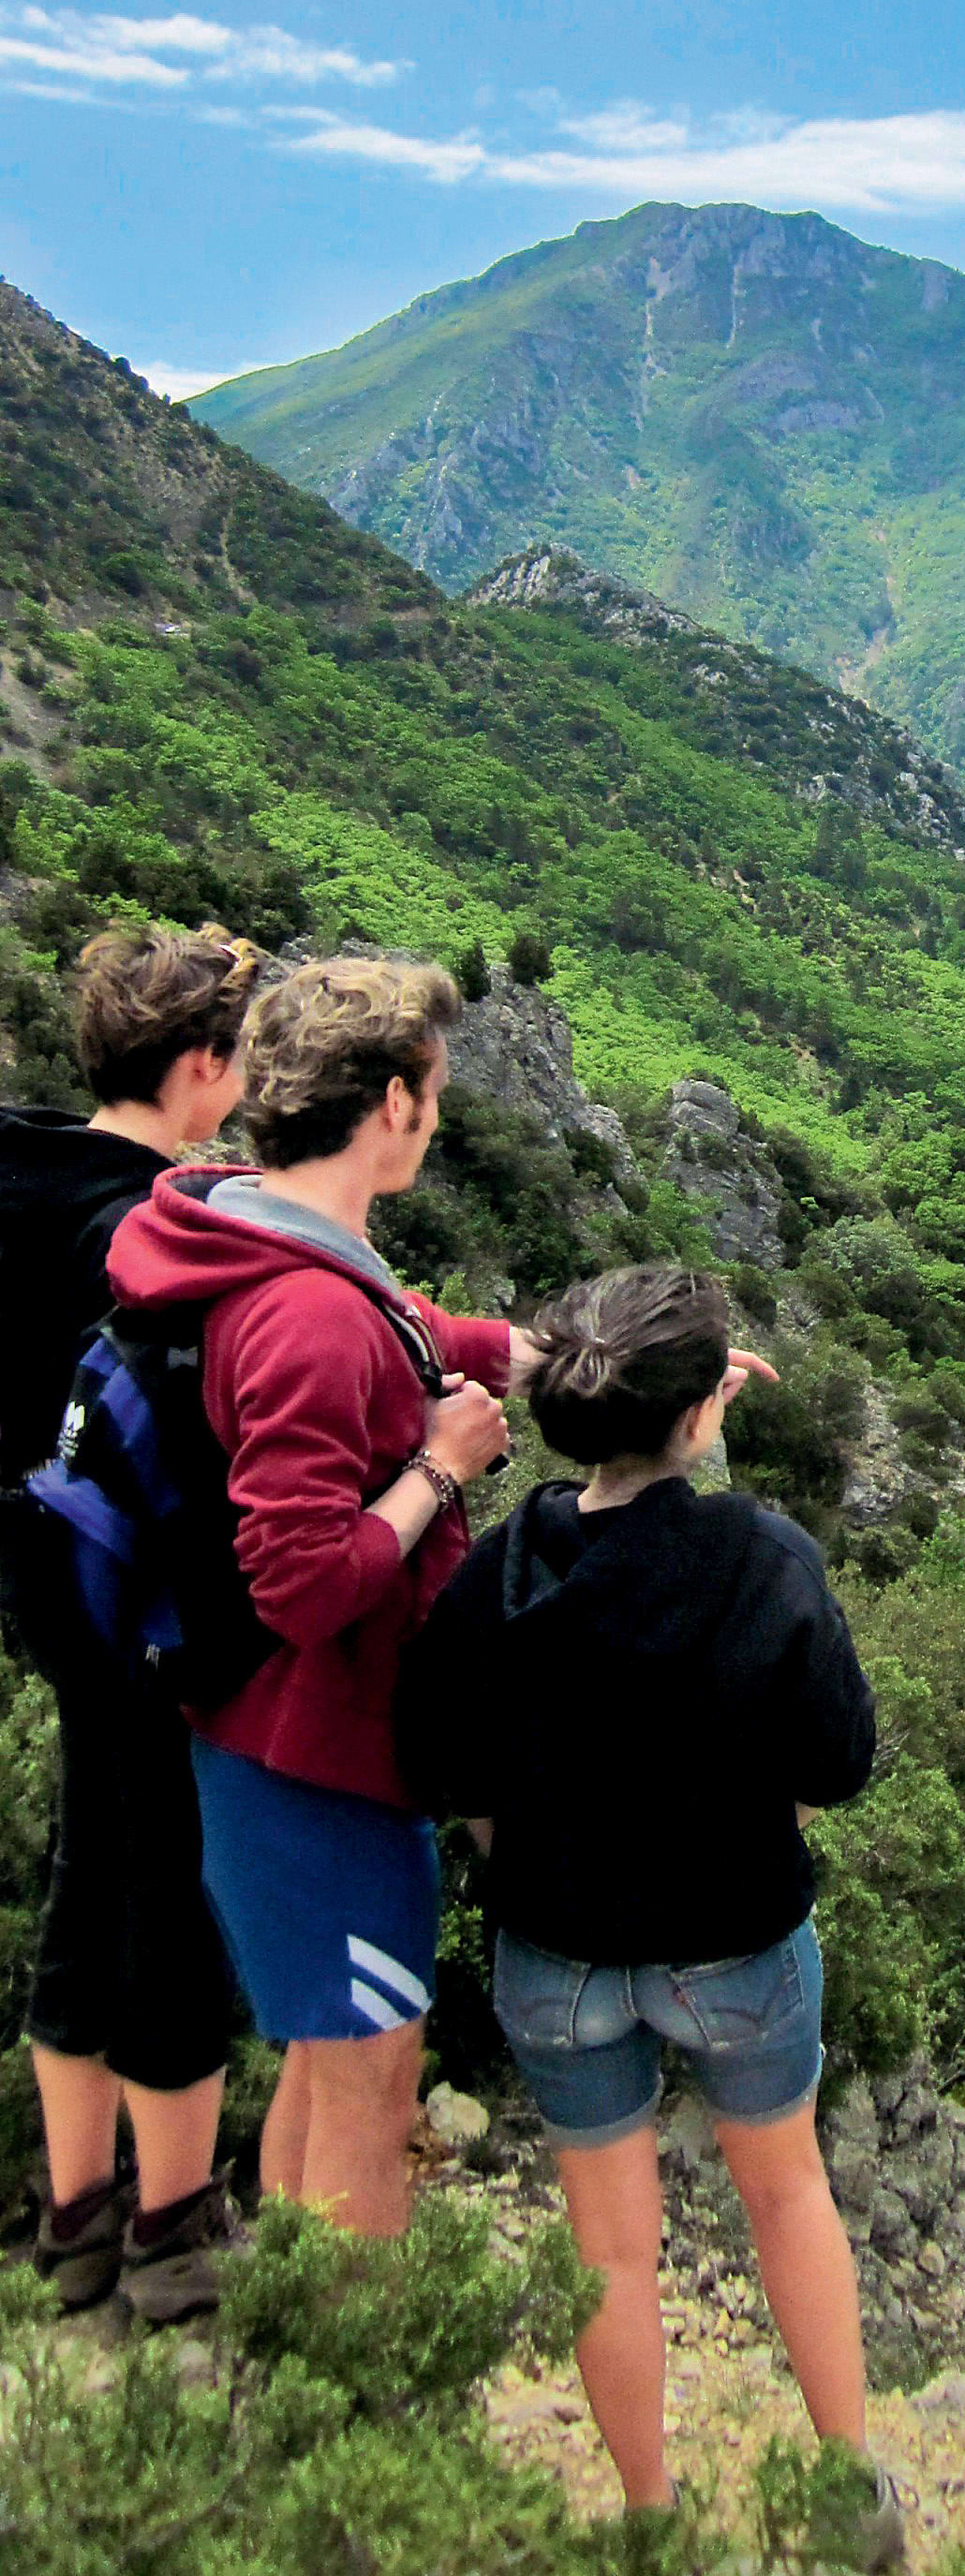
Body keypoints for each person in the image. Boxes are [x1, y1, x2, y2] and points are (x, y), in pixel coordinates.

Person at [396, 1266, 901, 2563]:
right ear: (698, 1416)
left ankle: (647, 2520)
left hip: (557, 1952)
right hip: (736, 1940)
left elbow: (439, 1757)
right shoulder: (763, 1559)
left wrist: (519, 1854)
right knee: (787, 2194)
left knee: (609, 2245)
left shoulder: (502, 1571)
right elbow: (837, 1763)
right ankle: (852, 2498)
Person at [105, 955, 527, 2240]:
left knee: (324, 2063)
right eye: (436, 1091)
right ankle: (359, 2405)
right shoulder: (305, 1314)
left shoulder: (255, 1225)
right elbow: (298, 1584)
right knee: (368, 2092)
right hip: (314, 1763)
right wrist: (435, 1470)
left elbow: (408, 1325)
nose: (440, 1117)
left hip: (275, 1746)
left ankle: (295, 2339)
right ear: (393, 1102)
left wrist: (563, 1354)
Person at [0, 923, 259, 2318]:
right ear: (203, 1069)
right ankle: (172, 2234)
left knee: (90, 1858)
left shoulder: (27, 1179)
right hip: (146, 1599)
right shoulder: (152, 1231)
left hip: (40, 1574)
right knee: (173, 1885)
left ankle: (75, 2213)